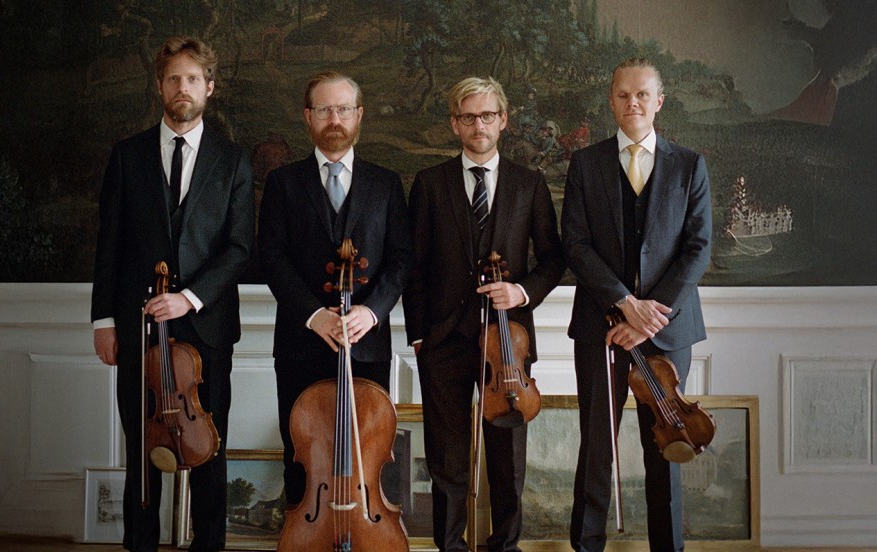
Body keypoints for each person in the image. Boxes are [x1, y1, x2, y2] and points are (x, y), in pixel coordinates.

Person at [91, 36, 254, 552]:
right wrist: (103, 321)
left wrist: (190, 298)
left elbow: (239, 247)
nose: (183, 88)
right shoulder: (127, 155)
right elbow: (109, 243)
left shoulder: (233, 160)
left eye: (193, 79)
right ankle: (140, 545)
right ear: (160, 87)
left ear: (210, 87)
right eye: (173, 79)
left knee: (209, 448)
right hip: (137, 326)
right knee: (142, 449)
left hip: (207, 327)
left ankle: (209, 545)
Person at [403, 76, 565, 552]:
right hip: (443, 339)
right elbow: (414, 265)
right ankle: (450, 546)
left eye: (488, 115)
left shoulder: (529, 183)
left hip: (508, 343)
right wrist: (419, 335)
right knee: (446, 457)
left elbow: (553, 259)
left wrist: (521, 291)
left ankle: (505, 546)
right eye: (469, 116)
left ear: (503, 120)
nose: (480, 125)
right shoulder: (430, 183)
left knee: (507, 457)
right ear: (455, 124)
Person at [562, 58, 712, 552]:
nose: (633, 103)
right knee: (596, 445)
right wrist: (625, 303)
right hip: (600, 327)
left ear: (659, 101)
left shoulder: (689, 164)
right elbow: (575, 245)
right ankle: (588, 545)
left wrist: (650, 316)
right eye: (623, 95)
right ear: (611, 101)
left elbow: (698, 249)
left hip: (668, 329)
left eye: (642, 94)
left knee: (668, 444)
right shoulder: (585, 164)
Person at [257, 70, 413, 507]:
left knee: (366, 455)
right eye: (324, 109)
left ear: (359, 115)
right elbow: (272, 258)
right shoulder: (283, 183)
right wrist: (314, 315)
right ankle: (304, 532)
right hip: (300, 343)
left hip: (367, 345)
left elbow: (402, 259)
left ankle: (362, 532)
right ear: (308, 116)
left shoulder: (386, 184)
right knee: (301, 457)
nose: (335, 119)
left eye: (343, 109)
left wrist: (372, 311)